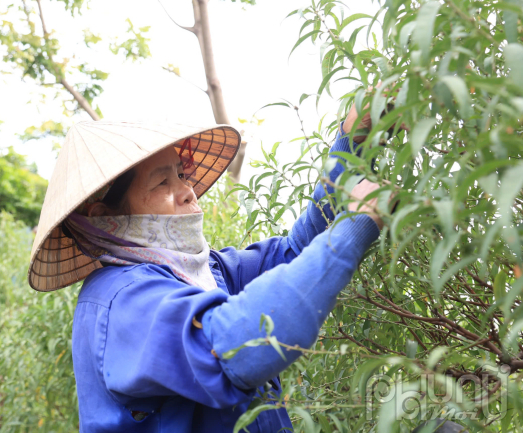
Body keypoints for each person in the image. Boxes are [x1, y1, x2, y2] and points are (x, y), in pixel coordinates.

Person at [28, 106, 389, 432]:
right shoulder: (121, 300)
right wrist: (351, 228)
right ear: (107, 220)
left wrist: (353, 141)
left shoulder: (206, 273)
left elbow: (297, 252)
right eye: (162, 182)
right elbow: (239, 349)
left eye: (182, 174)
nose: (187, 191)